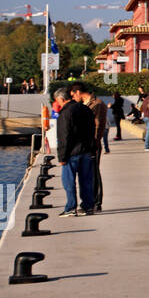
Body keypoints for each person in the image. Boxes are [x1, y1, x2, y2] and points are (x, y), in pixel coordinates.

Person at [54, 87, 97, 217]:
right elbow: (92, 130)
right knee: (86, 180)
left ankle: (71, 207)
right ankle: (88, 206)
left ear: (61, 99)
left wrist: (62, 156)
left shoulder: (65, 113)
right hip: (86, 151)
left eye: (57, 101)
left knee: (69, 181)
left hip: (72, 153)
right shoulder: (85, 109)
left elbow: (64, 136)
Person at [73, 84, 108, 212]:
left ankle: (95, 202)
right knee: (89, 172)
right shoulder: (87, 104)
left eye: (74, 95)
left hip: (92, 143)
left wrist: (93, 142)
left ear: (78, 92)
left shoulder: (96, 104)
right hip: (87, 143)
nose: (73, 98)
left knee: (93, 172)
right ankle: (92, 201)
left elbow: (97, 125)